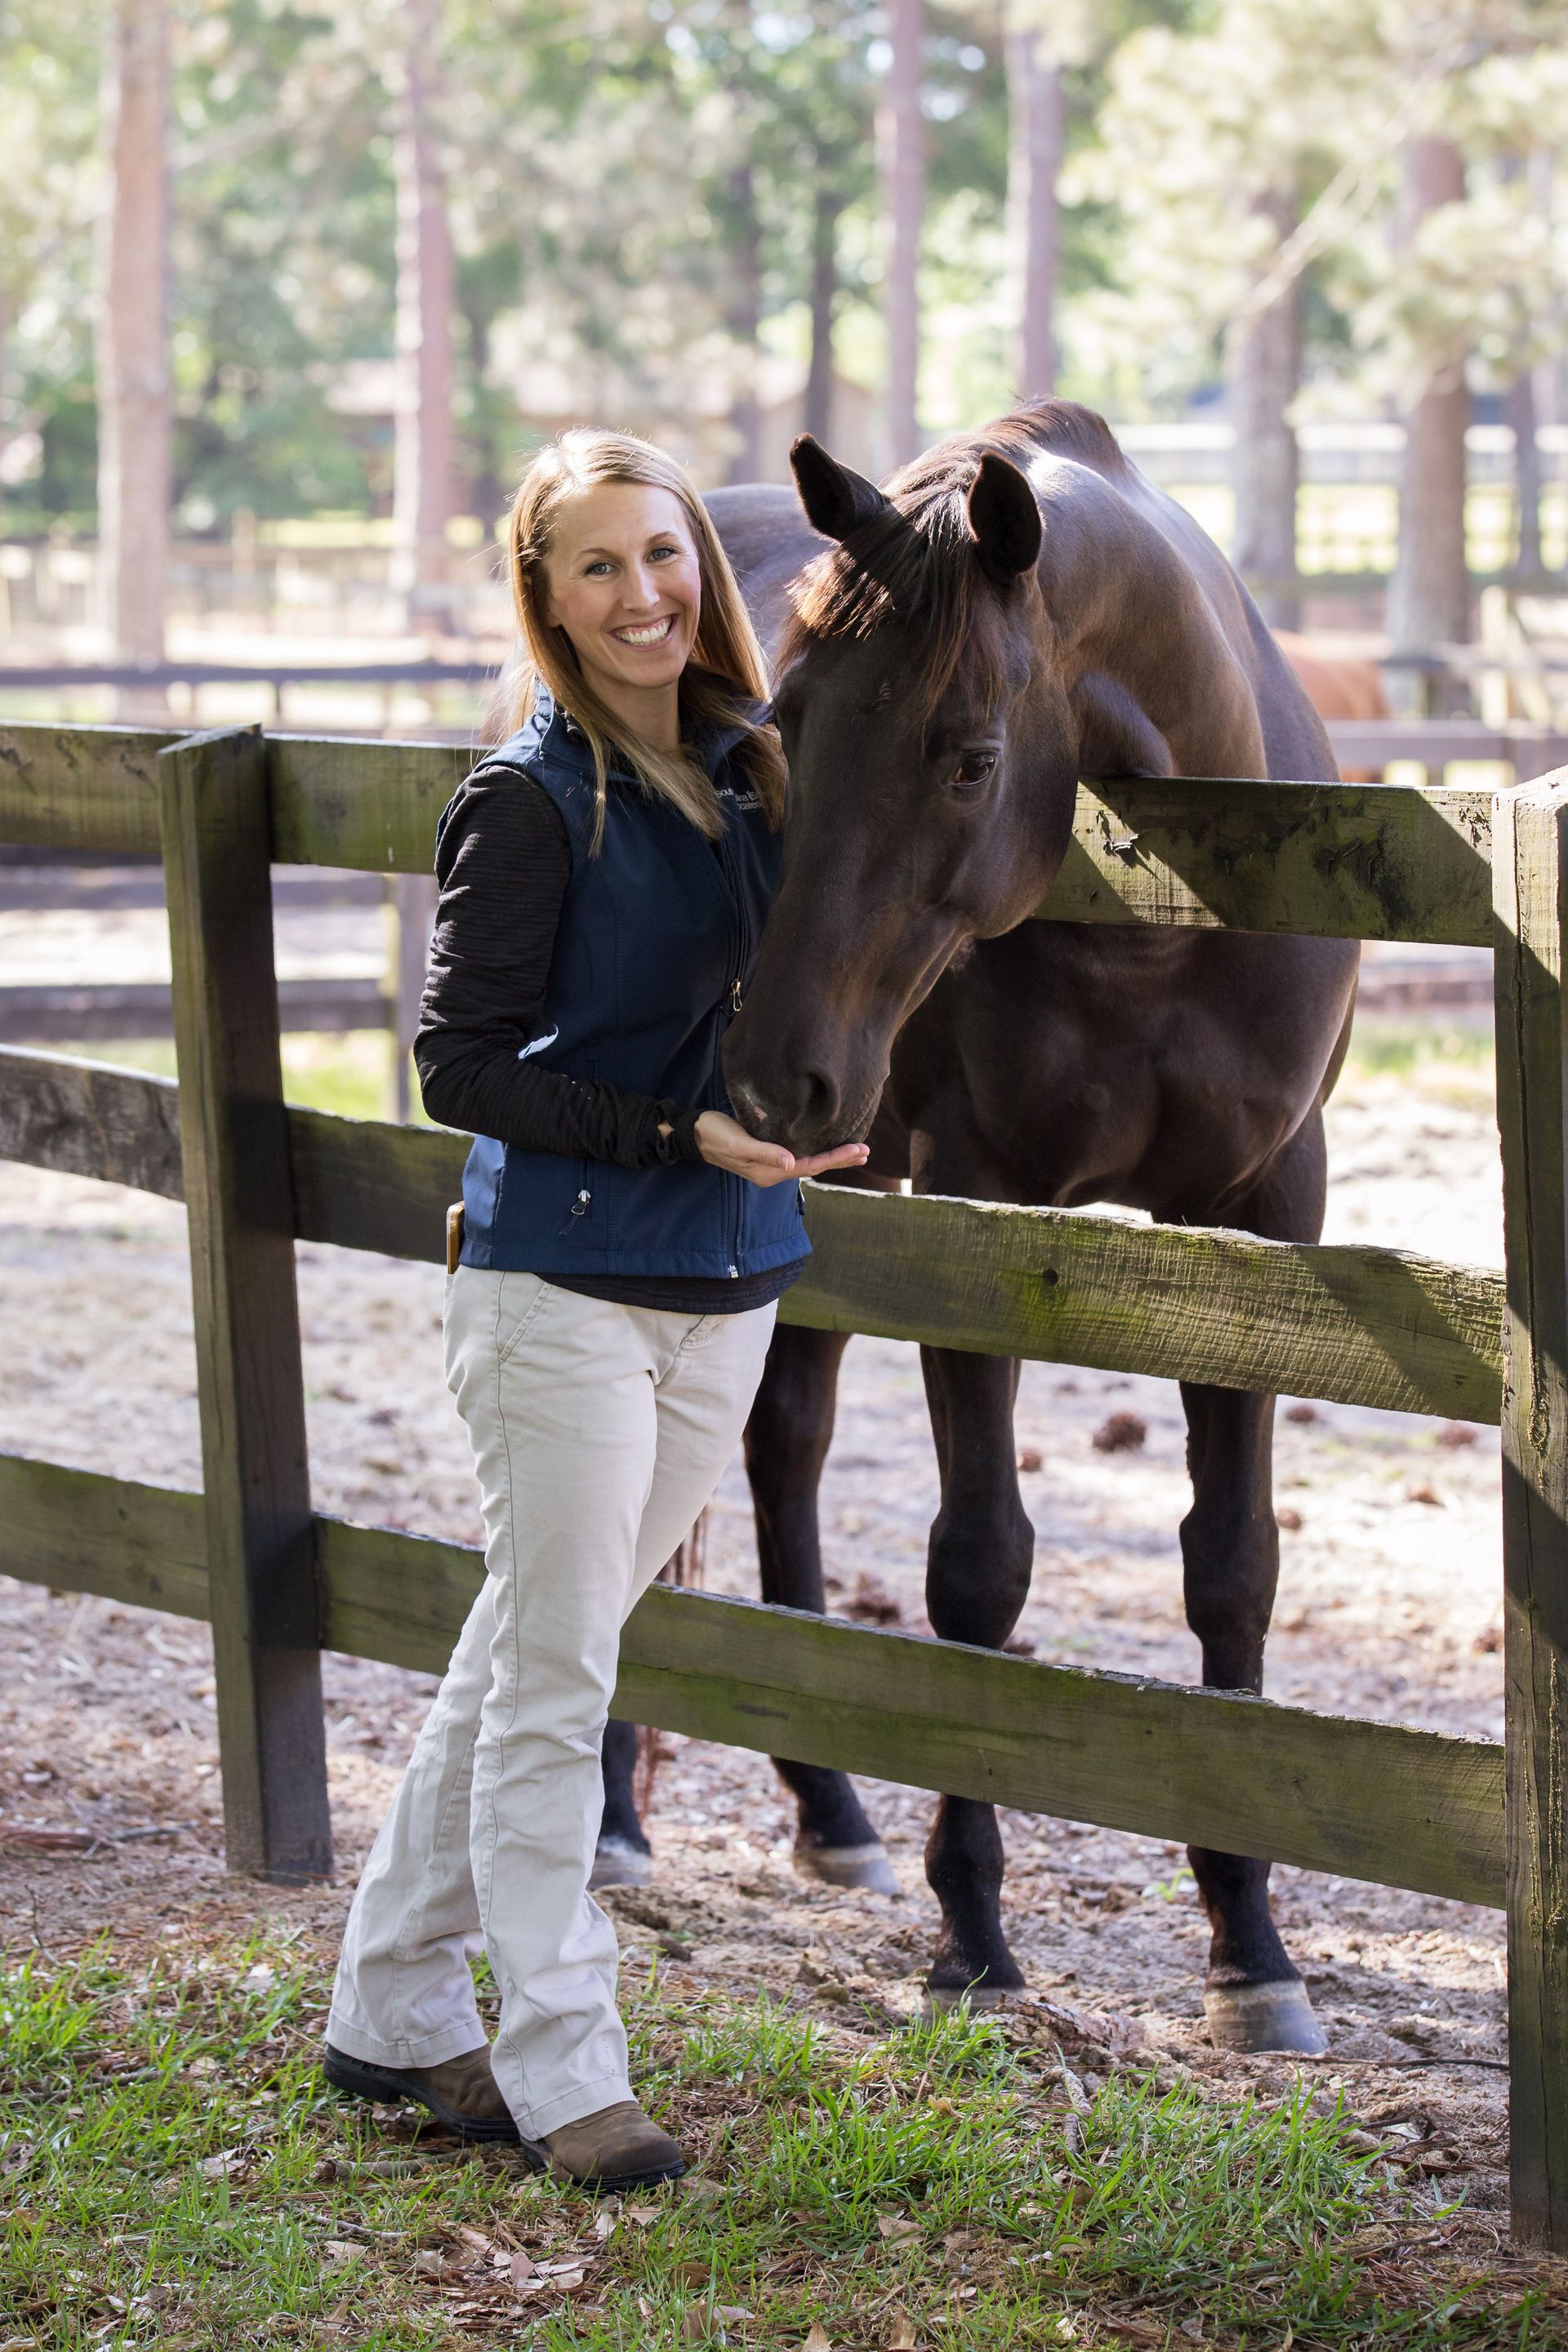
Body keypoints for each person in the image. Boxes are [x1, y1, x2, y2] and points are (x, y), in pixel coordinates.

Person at [321, 429, 867, 2192]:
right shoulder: (528, 798)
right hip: (559, 1288)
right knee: (563, 1678)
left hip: (732, 1287)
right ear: (547, 603)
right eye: (601, 568)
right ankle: (567, 2069)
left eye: (666, 556)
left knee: (524, 1651)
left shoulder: (761, 770)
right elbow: (454, 1067)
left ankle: (391, 2006)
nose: (647, 596)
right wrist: (664, 1129)